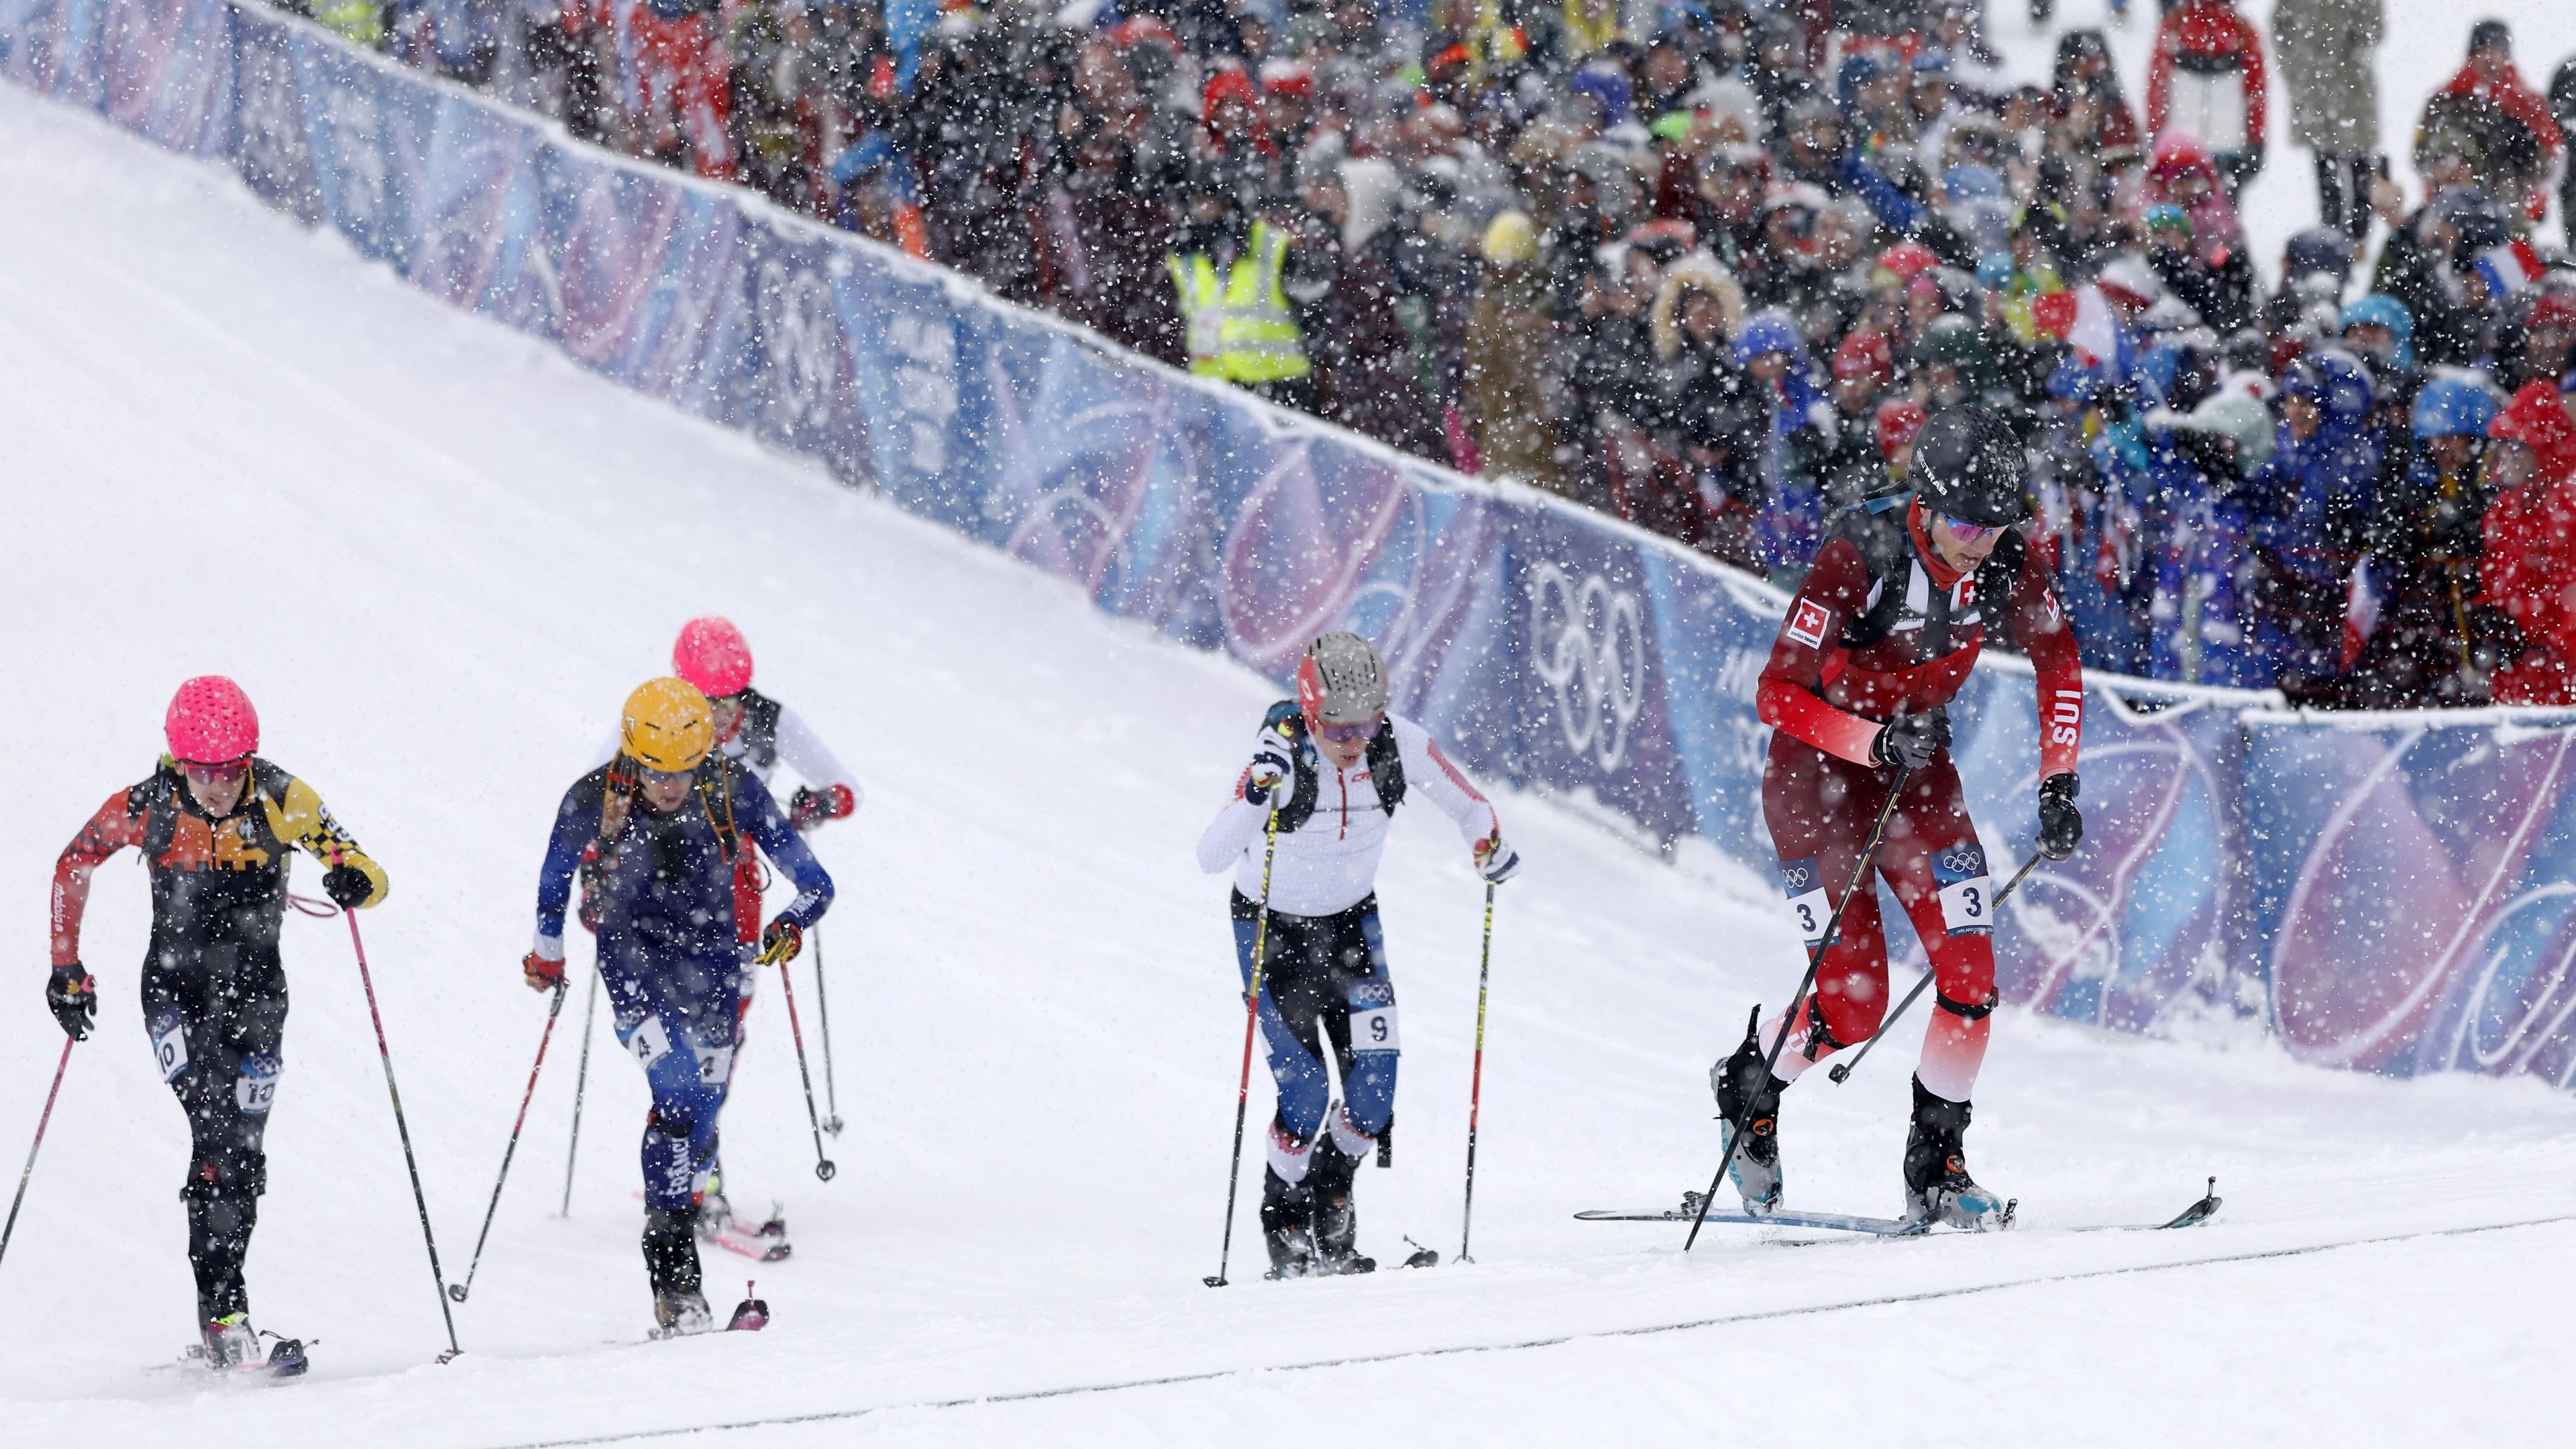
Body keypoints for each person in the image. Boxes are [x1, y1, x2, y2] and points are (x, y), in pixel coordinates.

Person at [1719, 404, 2084, 1229]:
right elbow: (1776, 694)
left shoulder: (2006, 561)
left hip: (1917, 779)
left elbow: (2059, 663)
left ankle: (1938, 1167)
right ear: (1925, 501)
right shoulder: (1863, 551)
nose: (1977, 543)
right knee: (1853, 1006)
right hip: (1817, 781)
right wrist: (1874, 738)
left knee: (1971, 974)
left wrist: (2058, 781)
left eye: (1994, 527)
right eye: (1962, 523)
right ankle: (1749, 1085)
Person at [47, 678, 388, 1370]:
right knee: (218, 1139)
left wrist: (353, 878)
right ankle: (226, 1318)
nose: (214, 789)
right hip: (176, 997)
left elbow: (369, 871)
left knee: (244, 1161)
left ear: (249, 759)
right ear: (178, 762)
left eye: (228, 772)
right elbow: (73, 862)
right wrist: (66, 968)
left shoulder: (283, 798)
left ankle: (225, 1317)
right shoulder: (148, 805)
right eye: (200, 773)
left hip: (260, 1003)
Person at [1194, 632, 1519, 1278]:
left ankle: (1331, 1190)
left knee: (1375, 1092)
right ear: (1311, 712)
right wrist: (1259, 794)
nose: (1354, 740)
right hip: (1271, 932)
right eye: (1338, 726)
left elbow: (1472, 806)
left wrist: (1486, 843)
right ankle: (1283, 1212)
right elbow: (1210, 855)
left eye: (1366, 722)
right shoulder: (1279, 750)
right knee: (1307, 1093)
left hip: (1350, 931)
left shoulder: (1399, 742)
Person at [526, 678, 834, 1335]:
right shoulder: (594, 796)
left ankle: (692, 1188)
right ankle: (676, 1286)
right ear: (632, 754)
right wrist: (546, 955)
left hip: (715, 965)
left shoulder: (731, 788)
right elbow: (552, 883)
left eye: (684, 771)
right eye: (655, 771)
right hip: (631, 963)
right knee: (676, 1095)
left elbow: (816, 883)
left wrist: (790, 925)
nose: (669, 786)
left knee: (703, 1119)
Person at [2270, 0, 2383, 244]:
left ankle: (2358, 236)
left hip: (2351, 88)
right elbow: (2281, 27)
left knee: (2358, 164)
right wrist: (2294, 68)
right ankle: (2331, 235)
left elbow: (2374, 30)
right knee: (2325, 164)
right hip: (2316, 89)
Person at [2145, 0, 2270, 198]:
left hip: (2193, 149)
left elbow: (2158, 86)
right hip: (2212, 149)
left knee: (2184, 223)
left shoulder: (2177, 24)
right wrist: (2257, 139)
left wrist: (2155, 132)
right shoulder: (2241, 29)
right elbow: (2256, 93)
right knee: (2221, 222)